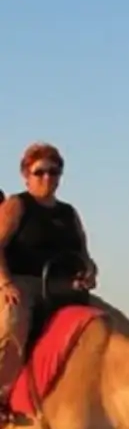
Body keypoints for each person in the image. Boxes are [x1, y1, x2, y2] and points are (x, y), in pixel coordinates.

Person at [0, 142, 101, 415]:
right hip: (22, 282)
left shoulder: (68, 213)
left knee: (115, 322)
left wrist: (89, 272)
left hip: (64, 287)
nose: (47, 178)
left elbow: (84, 254)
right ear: (26, 174)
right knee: (13, 320)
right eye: (40, 172)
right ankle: (3, 395)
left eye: (54, 172)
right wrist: (5, 282)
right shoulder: (17, 206)